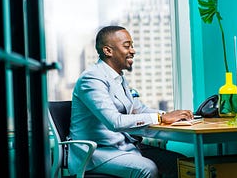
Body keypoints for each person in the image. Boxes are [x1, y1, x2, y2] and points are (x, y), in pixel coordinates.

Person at [68, 25, 193, 178]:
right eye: (127, 46)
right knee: (147, 168)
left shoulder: (118, 78)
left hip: (124, 148)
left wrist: (170, 115)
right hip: (97, 154)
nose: (133, 50)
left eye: (132, 46)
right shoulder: (92, 78)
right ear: (108, 51)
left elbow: (139, 110)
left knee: (180, 163)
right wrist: (160, 118)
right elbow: (115, 122)